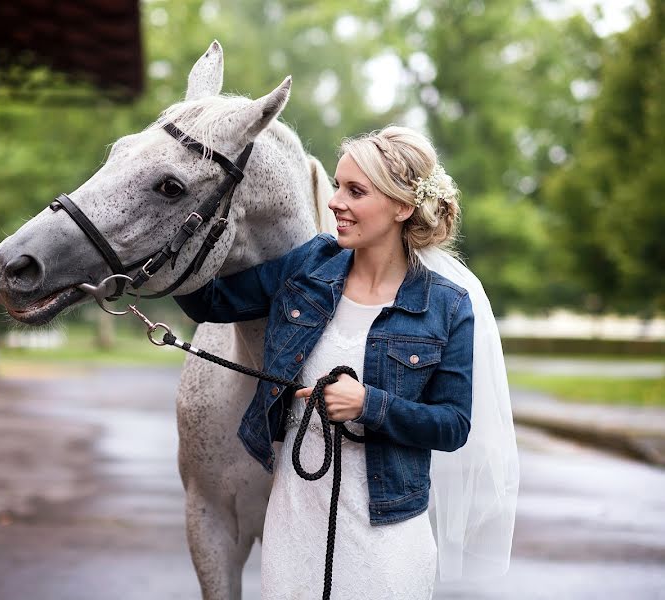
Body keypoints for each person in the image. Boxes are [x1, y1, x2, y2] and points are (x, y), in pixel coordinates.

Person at [175, 125, 518, 599]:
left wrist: (368, 404)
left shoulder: (447, 306)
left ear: (401, 206)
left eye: (355, 191)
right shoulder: (311, 264)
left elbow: (453, 425)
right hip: (295, 518)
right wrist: (180, 225)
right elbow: (212, 304)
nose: (335, 201)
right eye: (337, 185)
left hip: (388, 529)